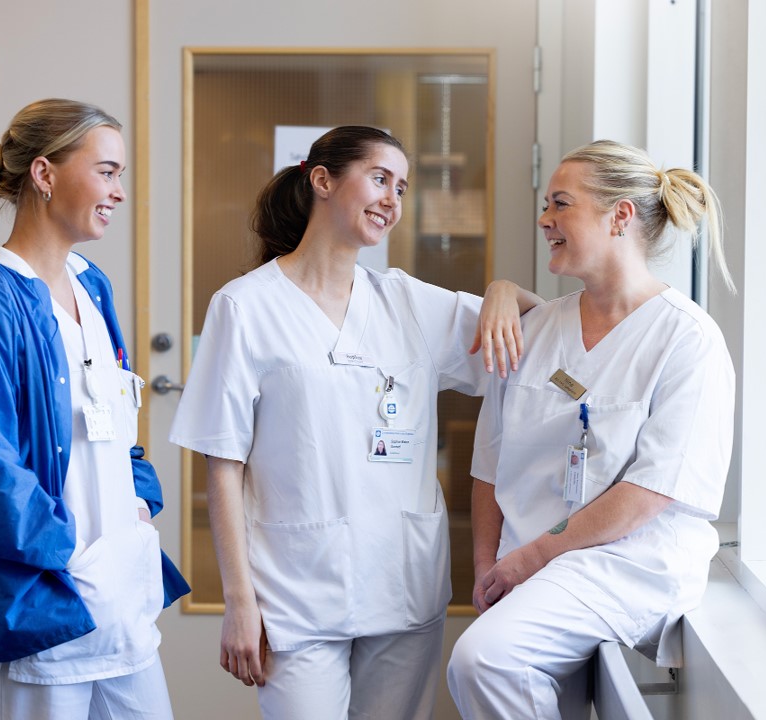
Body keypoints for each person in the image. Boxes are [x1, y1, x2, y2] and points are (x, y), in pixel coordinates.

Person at [168, 125, 541, 720]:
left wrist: (500, 289)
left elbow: (546, 329)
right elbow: (222, 463)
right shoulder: (244, 307)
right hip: (294, 589)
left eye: (402, 186)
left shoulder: (407, 301)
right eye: (379, 178)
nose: (393, 199)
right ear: (321, 180)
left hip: (402, 580)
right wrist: (239, 599)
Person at [0, 98, 189, 719]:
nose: (118, 191)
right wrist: (64, 552)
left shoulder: (91, 285)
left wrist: (139, 502)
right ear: (44, 174)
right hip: (46, 598)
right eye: (107, 171)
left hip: (119, 592)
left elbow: (118, 417)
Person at [446, 139, 736, 719]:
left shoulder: (686, 340)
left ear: (619, 216)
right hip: (526, 561)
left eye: (561, 204)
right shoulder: (534, 329)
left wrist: (531, 560)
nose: (544, 218)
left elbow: (649, 492)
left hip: (623, 561)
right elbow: (489, 467)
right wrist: (486, 565)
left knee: (485, 660)